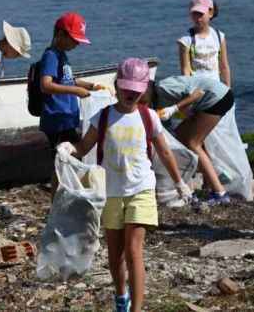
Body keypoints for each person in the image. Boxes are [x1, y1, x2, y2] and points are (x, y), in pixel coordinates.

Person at [60, 58, 192, 312]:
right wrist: (68, 149)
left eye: (136, 90)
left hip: (141, 190)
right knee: (115, 254)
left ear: (144, 90)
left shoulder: (149, 117)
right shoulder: (104, 116)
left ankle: (137, 308)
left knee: (133, 249)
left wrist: (180, 183)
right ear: (117, 86)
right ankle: (121, 296)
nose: (131, 94)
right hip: (111, 193)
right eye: (126, 89)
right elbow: (83, 147)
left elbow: (164, 153)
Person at [39, 11, 109, 192]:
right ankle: (59, 197)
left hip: (66, 118)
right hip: (57, 120)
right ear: (60, 34)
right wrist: (76, 92)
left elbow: (68, 79)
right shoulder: (51, 56)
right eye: (74, 39)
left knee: (69, 157)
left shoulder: (62, 55)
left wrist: (92, 86)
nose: (77, 44)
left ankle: (64, 193)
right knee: (65, 159)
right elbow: (46, 85)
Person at [143, 74, 234, 205]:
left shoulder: (162, 87)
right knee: (181, 135)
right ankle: (210, 180)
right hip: (208, 101)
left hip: (217, 97)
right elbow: (167, 131)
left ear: (147, 89)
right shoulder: (155, 104)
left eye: (140, 96)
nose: (140, 101)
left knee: (193, 143)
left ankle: (220, 193)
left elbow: (198, 93)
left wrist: (174, 108)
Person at [177, 0, 231, 86]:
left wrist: (228, 89)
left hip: (216, 87)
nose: (198, 18)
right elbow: (185, 69)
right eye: (194, 14)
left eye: (201, 14)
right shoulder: (186, 40)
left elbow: (224, 66)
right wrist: (189, 90)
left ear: (211, 13)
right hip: (196, 88)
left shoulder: (219, 37)